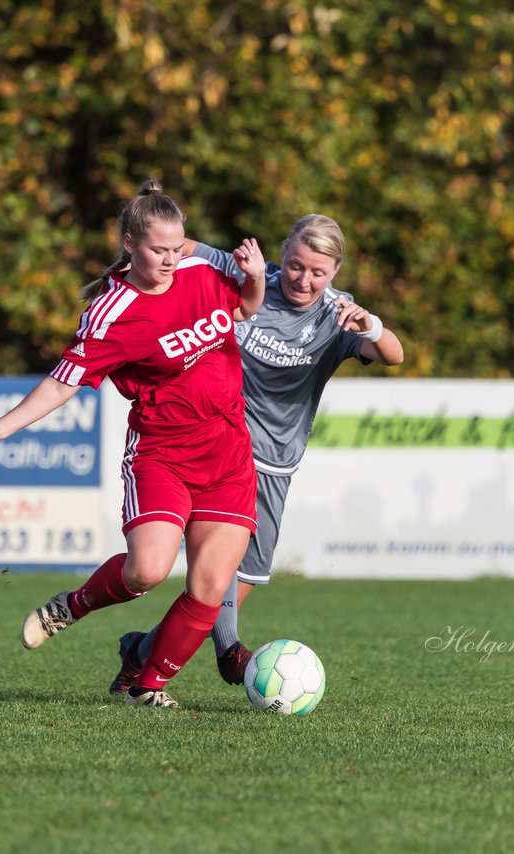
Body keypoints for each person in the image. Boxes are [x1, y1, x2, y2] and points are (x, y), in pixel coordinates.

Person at [0, 180, 266, 709]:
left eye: (177, 247)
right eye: (158, 250)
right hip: (163, 456)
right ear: (128, 244)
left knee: (210, 587)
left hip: (230, 455)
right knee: (147, 571)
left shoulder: (203, 272)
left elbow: (244, 311)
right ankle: (70, 607)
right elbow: (61, 383)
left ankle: (147, 686)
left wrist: (253, 278)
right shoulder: (111, 314)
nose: (170, 260)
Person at [107, 214, 404, 695]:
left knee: (217, 595)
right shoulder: (245, 276)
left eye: (317, 272)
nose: (303, 280)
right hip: (218, 448)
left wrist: (371, 326)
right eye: (294, 266)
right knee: (212, 580)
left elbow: (394, 355)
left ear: (335, 273)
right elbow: (179, 246)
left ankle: (138, 654)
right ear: (281, 257)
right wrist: (136, 260)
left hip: (276, 463)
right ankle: (230, 653)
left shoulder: (337, 315)